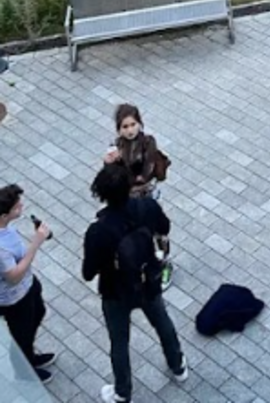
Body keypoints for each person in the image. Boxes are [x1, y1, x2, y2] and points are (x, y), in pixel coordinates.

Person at [83, 162, 188, 403]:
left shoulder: (98, 231)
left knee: (119, 341)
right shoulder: (147, 206)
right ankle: (178, 365)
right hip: (148, 279)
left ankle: (122, 392)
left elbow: (88, 273)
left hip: (115, 292)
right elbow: (165, 227)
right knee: (162, 322)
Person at [103, 104, 172, 289]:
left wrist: (122, 167)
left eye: (133, 124)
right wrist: (109, 163)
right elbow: (110, 179)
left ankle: (165, 264)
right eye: (125, 127)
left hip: (147, 195)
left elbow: (145, 173)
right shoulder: (116, 146)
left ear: (139, 123)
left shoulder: (148, 142)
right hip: (127, 199)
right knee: (132, 233)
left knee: (157, 231)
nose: (130, 130)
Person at [0, 184, 56, 382]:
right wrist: (36, 242)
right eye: (16, 207)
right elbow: (13, 277)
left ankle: (29, 356)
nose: (21, 207)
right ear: (4, 215)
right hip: (13, 298)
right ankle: (24, 371)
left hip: (28, 285)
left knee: (39, 312)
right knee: (21, 334)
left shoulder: (4, 227)